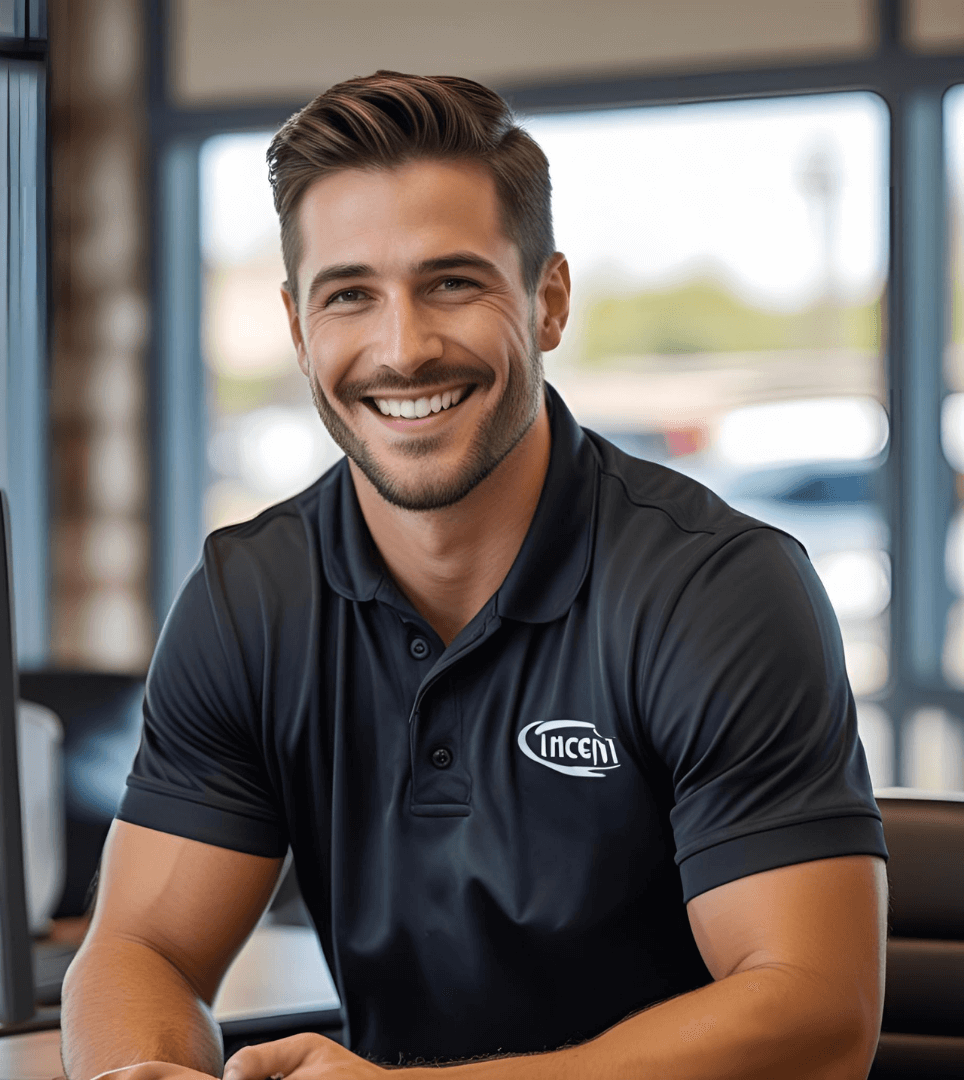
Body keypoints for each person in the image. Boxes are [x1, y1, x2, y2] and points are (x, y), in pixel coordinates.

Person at [61, 72, 888, 1080]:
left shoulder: (716, 590)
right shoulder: (252, 598)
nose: (403, 349)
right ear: (298, 328)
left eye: (452, 282)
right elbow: (144, 947)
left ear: (548, 301)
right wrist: (141, 1069)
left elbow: (816, 1015)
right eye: (350, 294)